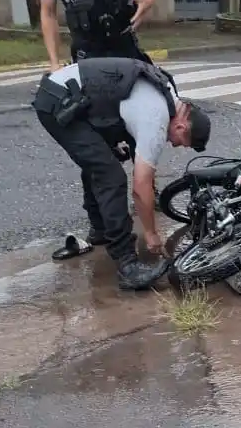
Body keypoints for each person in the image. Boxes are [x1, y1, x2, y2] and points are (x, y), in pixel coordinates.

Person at [32, 56, 212, 290]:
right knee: (111, 176)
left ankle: (100, 230)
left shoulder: (167, 93)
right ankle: (127, 265)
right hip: (60, 102)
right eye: (182, 142)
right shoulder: (157, 117)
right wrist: (151, 233)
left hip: (68, 95)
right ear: (181, 126)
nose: (176, 145)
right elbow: (141, 187)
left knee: (100, 160)